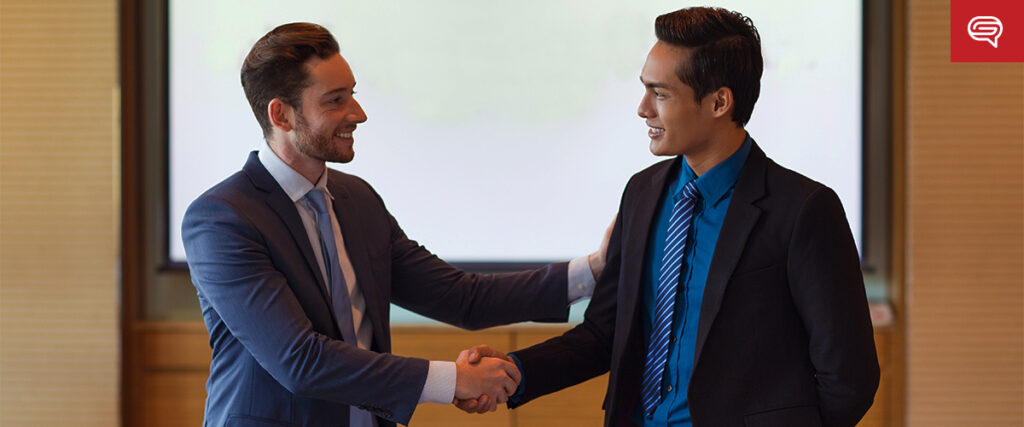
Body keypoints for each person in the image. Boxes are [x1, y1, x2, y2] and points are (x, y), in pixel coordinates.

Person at [457, 7, 879, 426]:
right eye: (645, 90)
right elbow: (604, 335)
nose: (643, 109)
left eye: (660, 94)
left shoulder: (803, 209)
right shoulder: (642, 193)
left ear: (718, 102)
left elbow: (849, 378)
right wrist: (515, 372)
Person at [181, 22, 608, 427]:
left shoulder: (357, 200)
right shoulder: (222, 219)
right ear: (281, 115)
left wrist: (594, 269)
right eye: (335, 100)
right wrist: (453, 380)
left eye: (353, 94)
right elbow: (300, 360)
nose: (359, 113)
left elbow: (462, 298)